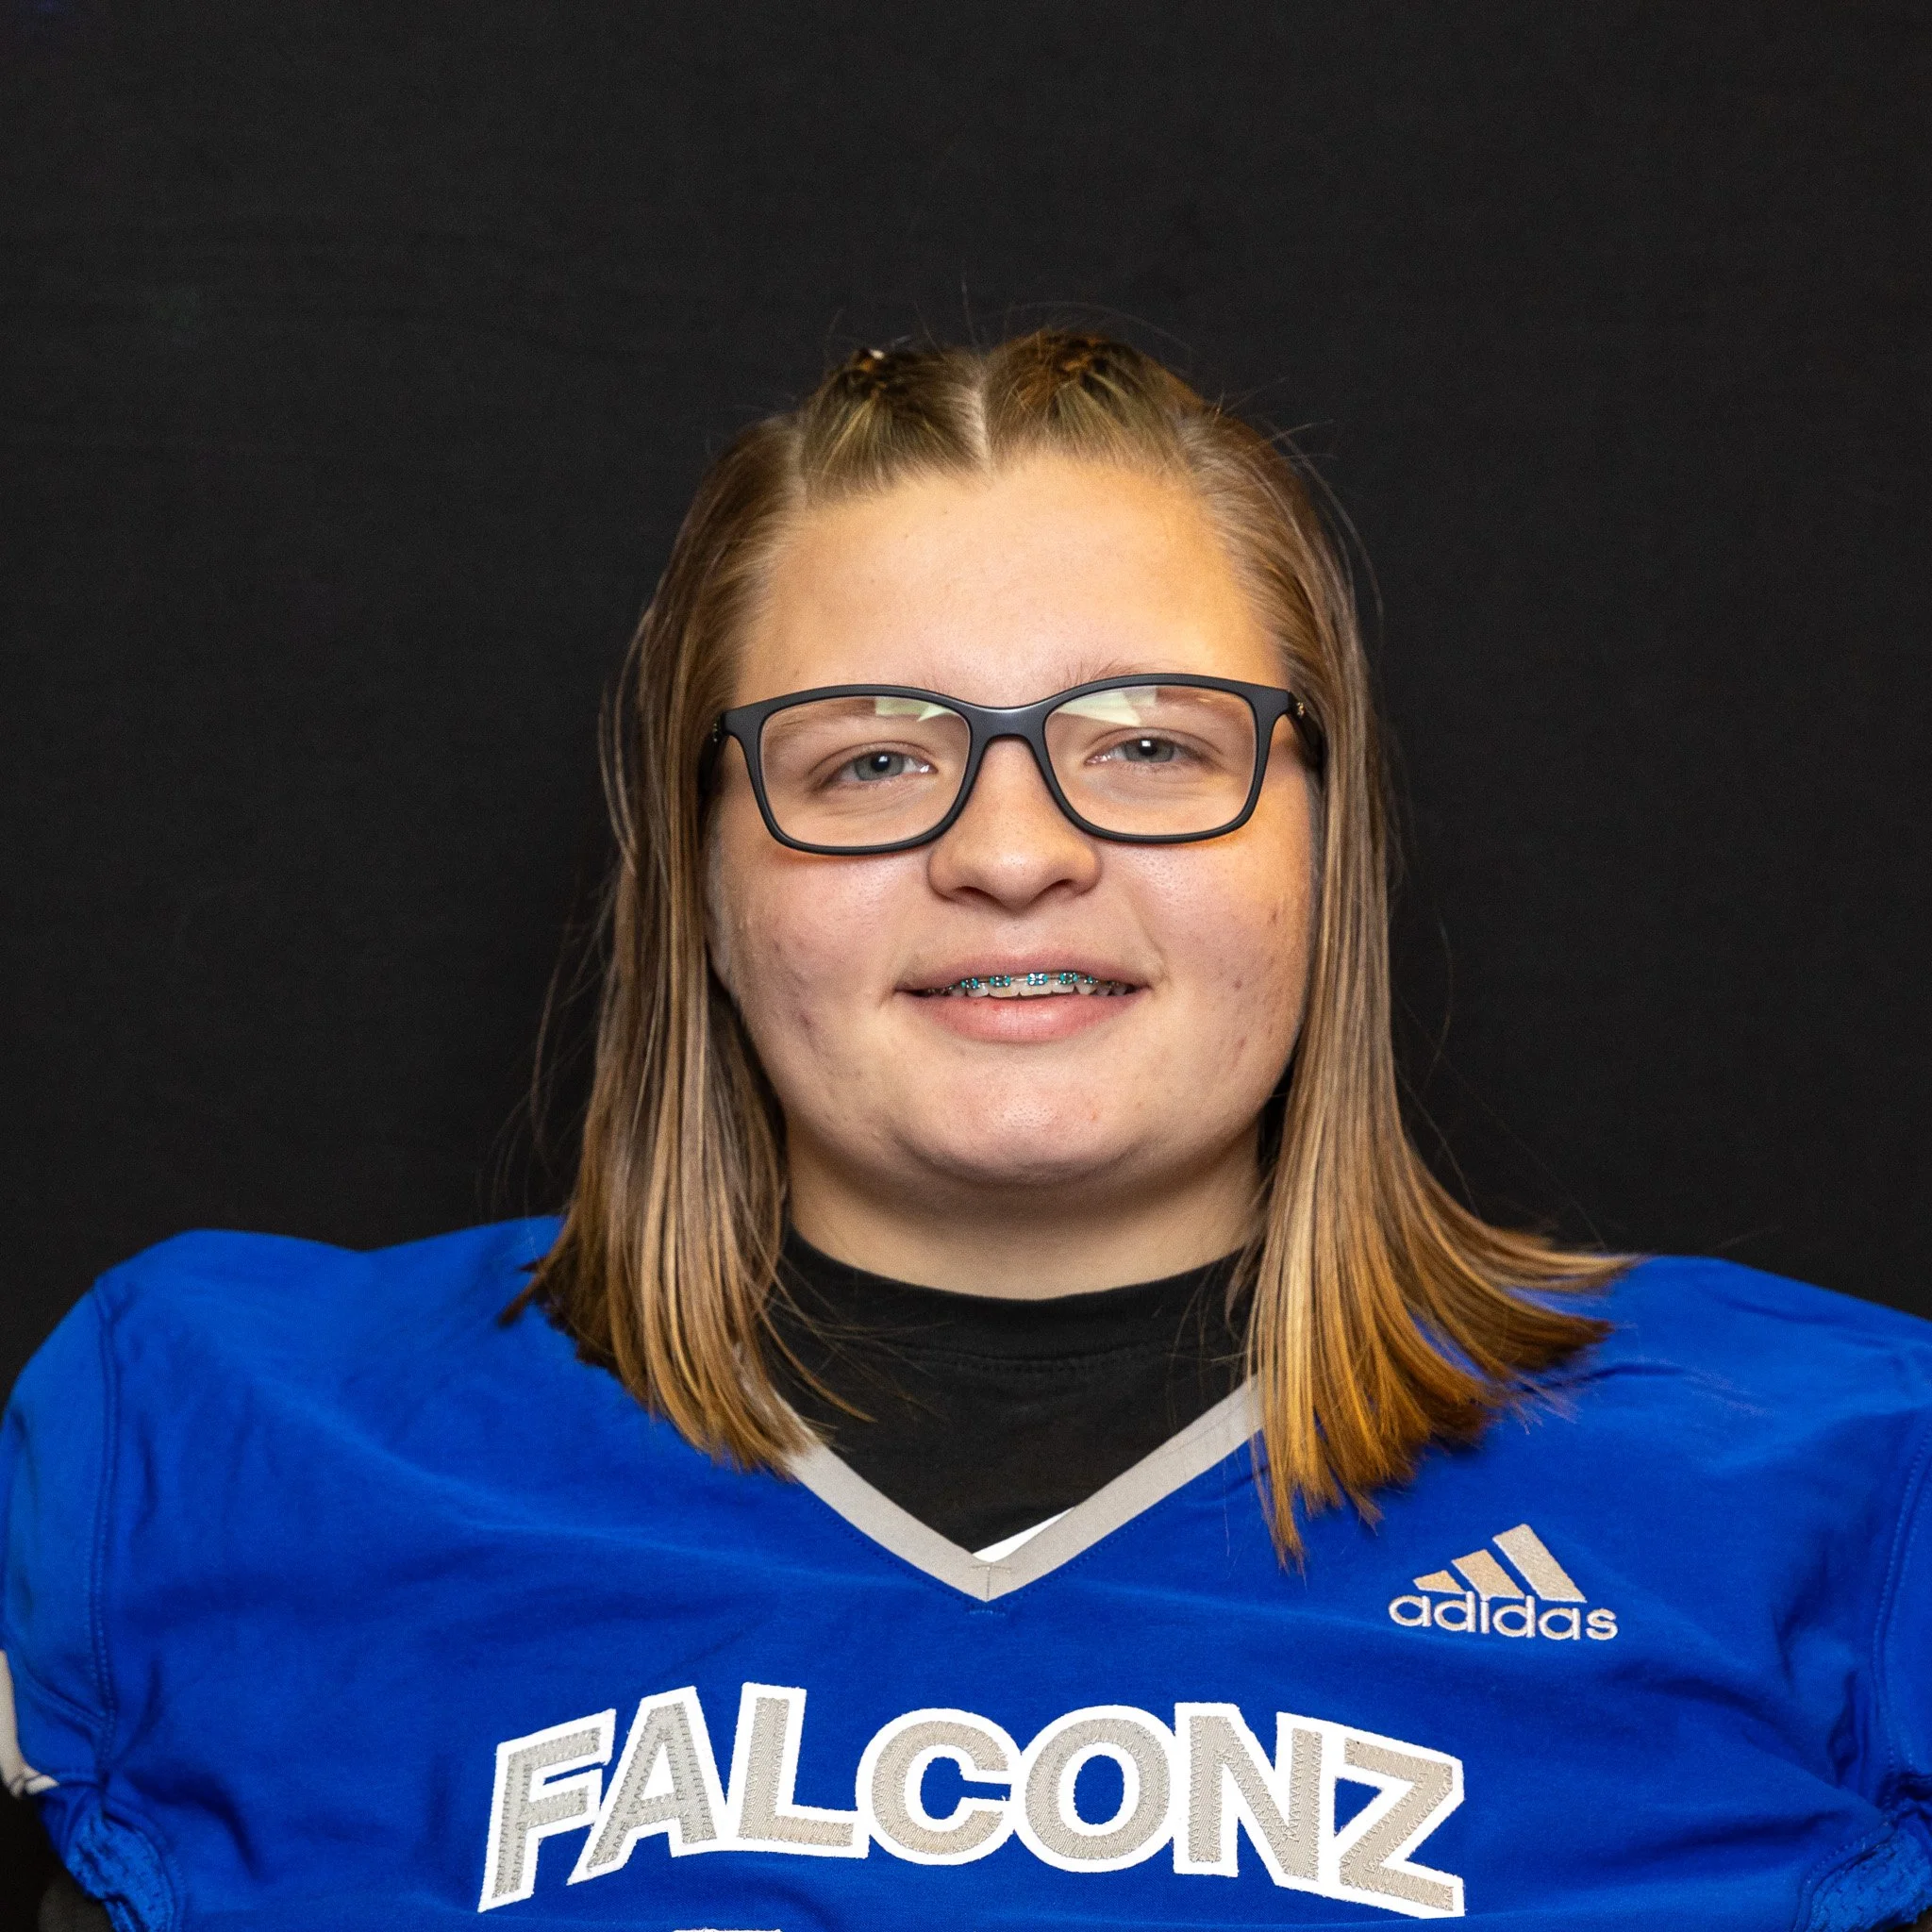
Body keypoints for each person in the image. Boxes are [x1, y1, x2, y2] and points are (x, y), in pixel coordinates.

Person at [5, 332, 1930, 1931]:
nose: (1014, 852)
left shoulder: (1831, 1472)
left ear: (1326, 836)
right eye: (870, 759)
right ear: (700, 869)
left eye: (1155, 744)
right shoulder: (208, 1431)